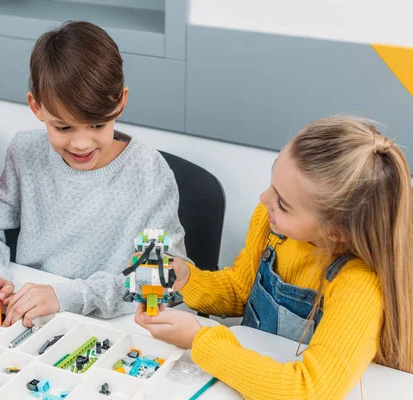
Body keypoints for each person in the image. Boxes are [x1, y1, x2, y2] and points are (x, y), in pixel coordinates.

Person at [136, 116, 413, 399]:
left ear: (337, 231)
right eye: (271, 183)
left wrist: (199, 341)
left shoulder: (360, 284)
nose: (263, 198)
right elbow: (240, 291)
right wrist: (186, 279)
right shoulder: (272, 226)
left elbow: (307, 390)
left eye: (282, 203)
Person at [0, 21, 187, 327]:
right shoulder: (26, 152)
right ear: (36, 107)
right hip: (30, 319)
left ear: (121, 101)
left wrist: (70, 296)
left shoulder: (148, 171)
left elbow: (159, 277)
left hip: (111, 325)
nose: (80, 143)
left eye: (97, 125)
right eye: (63, 127)